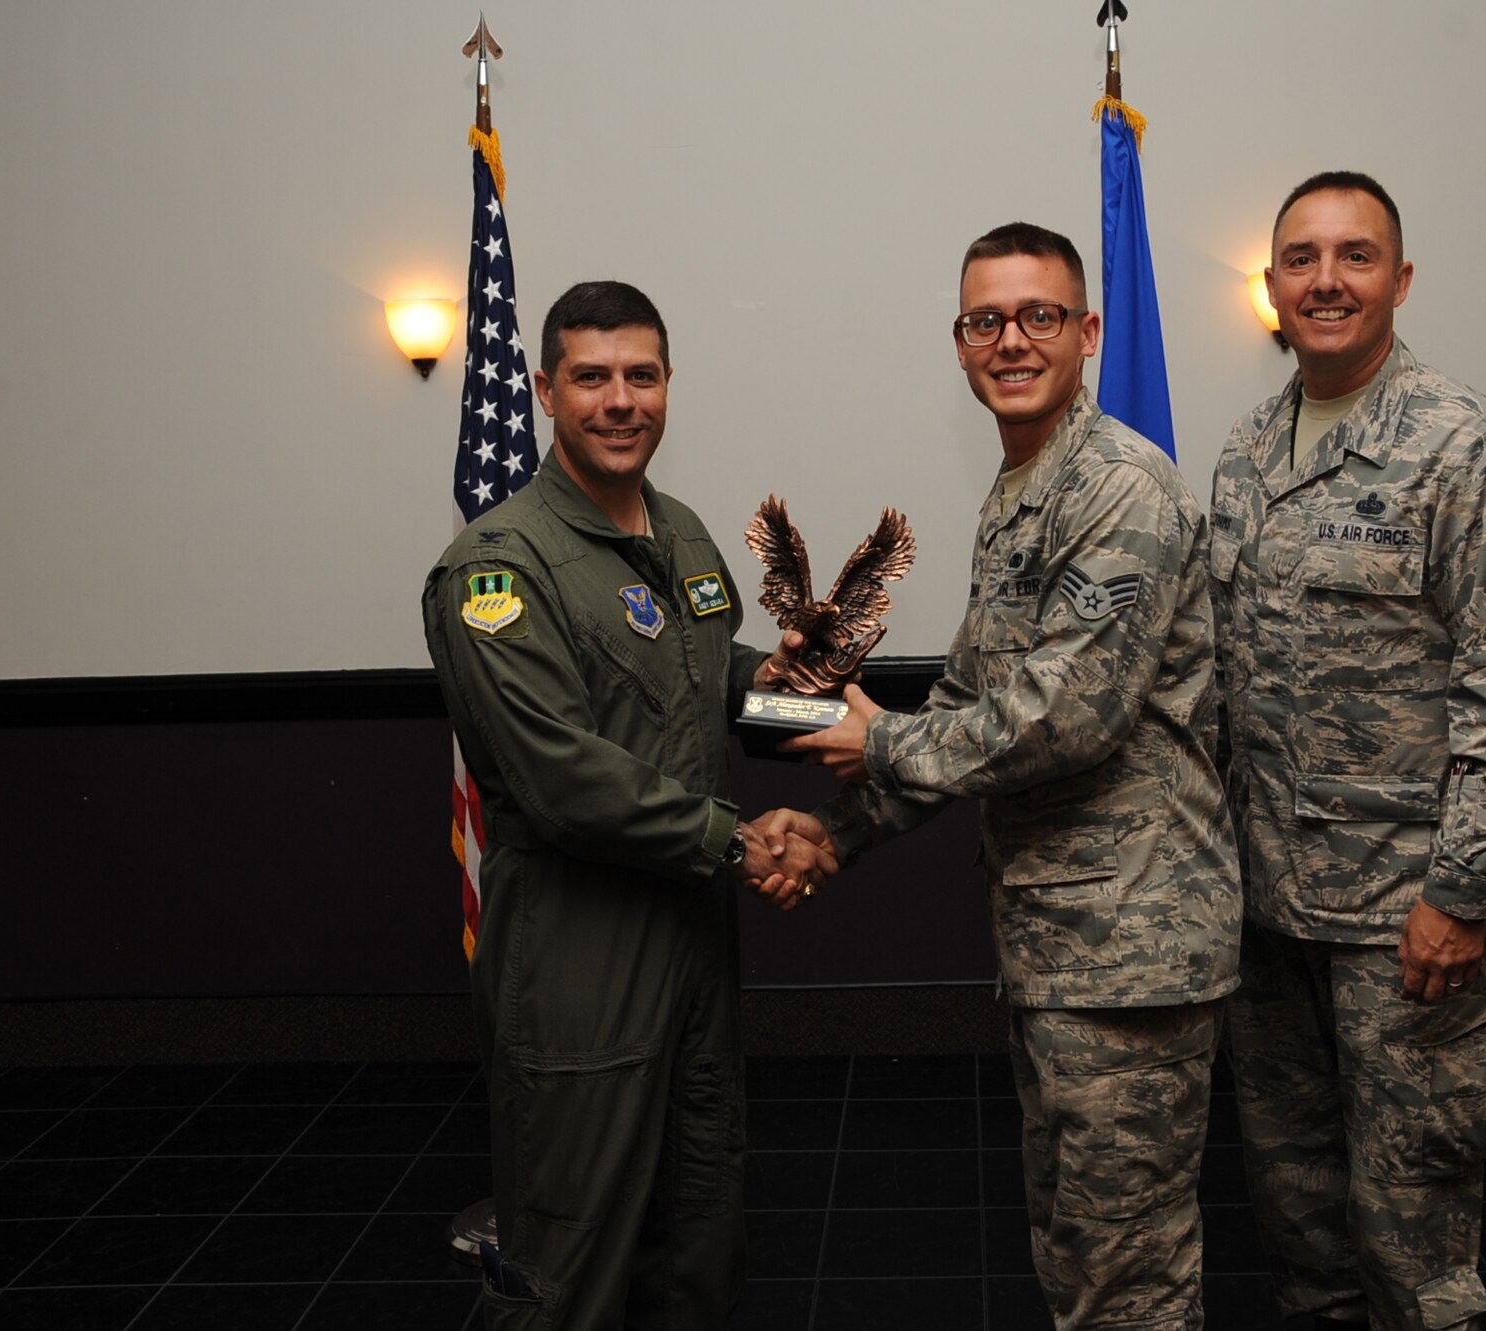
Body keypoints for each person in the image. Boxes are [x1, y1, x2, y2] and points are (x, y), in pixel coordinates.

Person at [759, 223, 1242, 1330]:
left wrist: (869, 741)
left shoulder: (1117, 488)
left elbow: (1056, 721)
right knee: (1079, 1250)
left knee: (1126, 1279)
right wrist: (839, 828)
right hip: (1061, 945)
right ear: (959, 342)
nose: (1010, 340)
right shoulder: (1023, 489)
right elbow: (967, 709)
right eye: (985, 320)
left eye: (1037, 316)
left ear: (1086, 333)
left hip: (1132, 955)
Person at [421, 280, 831, 1330]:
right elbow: (557, 773)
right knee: (569, 1255)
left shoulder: (682, 533)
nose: (619, 400)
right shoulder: (497, 566)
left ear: (666, 385)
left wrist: (813, 702)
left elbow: (710, 679)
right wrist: (740, 842)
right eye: (591, 377)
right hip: (577, 949)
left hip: (691, 934)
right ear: (547, 392)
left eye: (639, 375)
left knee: (695, 1230)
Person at [1210, 173, 1486, 1331]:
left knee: (1412, 1246)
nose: (1325, 279)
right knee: (1302, 1230)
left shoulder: (1469, 448)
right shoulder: (1245, 452)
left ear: (1399, 280)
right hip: (1268, 918)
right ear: (1270, 287)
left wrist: (1462, 894)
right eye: (1302, 258)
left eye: (1354, 255)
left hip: (1402, 925)